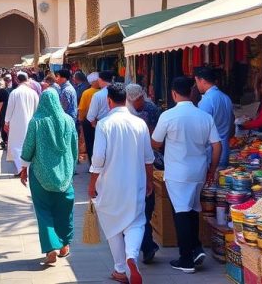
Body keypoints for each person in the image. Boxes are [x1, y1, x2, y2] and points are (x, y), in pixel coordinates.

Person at [152, 76, 222, 273]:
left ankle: (186, 259)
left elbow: (155, 142)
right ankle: (196, 248)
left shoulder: (168, 116)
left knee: (182, 213)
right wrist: (212, 169)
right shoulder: (204, 117)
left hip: (177, 172)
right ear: (191, 92)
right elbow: (217, 145)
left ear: (174, 94)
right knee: (191, 209)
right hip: (198, 171)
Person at [90, 83, 155, 284]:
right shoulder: (139, 123)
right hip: (136, 182)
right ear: (126, 98)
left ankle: (120, 268)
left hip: (109, 184)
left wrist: (92, 182)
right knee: (136, 222)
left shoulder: (104, 124)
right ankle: (131, 257)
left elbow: (98, 158)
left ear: (109, 101)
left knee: (112, 225)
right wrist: (150, 181)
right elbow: (148, 158)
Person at [20, 89, 79, 265]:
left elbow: (28, 147)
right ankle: (64, 246)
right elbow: (74, 146)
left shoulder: (36, 122)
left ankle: (50, 248)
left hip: (40, 174)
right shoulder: (68, 121)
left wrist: (23, 168)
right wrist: (71, 165)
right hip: (65, 174)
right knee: (64, 209)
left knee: (43, 210)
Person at [125, 83, 162, 265]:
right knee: (141, 211)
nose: (139, 102)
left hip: (146, 162)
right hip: (139, 165)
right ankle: (144, 246)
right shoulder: (128, 116)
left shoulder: (151, 109)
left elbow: (156, 139)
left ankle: (144, 247)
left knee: (144, 210)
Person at [194, 66, 234, 169]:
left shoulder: (206, 100)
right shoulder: (226, 98)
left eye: (196, 81)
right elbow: (231, 125)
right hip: (225, 150)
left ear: (202, 80)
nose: (196, 85)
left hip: (212, 153)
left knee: (211, 183)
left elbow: (201, 130)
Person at [5, 71, 40, 173]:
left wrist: (6, 122)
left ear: (17, 80)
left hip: (17, 124)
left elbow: (9, 109)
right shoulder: (33, 93)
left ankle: (22, 169)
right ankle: (26, 168)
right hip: (31, 122)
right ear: (27, 79)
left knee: (16, 146)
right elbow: (38, 108)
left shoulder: (14, 93)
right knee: (28, 145)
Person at [77, 71, 98, 162]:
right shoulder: (104, 91)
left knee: (89, 142)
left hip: (88, 121)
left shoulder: (87, 93)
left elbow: (82, 108)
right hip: (100, 120)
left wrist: (81, 120)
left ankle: (92, 162)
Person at [0, 73, 13, 148]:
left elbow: (0, 104)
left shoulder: (2, 91)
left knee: (3, 125)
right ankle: (8, 141)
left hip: (4, 110)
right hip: (12, 110)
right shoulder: (14, 90)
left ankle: (5, 141)